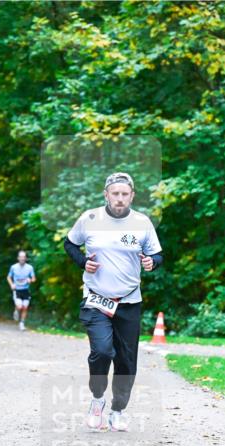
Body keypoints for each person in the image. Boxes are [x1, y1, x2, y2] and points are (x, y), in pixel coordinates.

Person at [63, 172, 162, 432]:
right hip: (96, 299)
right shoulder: (90, 218)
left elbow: (156, 253)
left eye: (124, 194)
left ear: (132, 196)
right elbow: (70, 244)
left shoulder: (142, 222)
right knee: (103, 351)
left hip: (129, 301)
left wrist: (153, 262)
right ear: (106, 194)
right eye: (115, 194)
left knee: (127, 362)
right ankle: (97, 400)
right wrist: (83, 262)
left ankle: (118, 411)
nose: (119, 199)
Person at [7, 250, 36, 331]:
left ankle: (22, 323)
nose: (22, 258)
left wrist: (30, 280)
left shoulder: (30, 267)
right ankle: (16, 310)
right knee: (20, 306)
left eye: (24, 257)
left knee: (25, 307)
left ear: (26, 258)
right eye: (21, 257)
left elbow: (34, 278)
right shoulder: (13, 267)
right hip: (17, 290)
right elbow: (9, 277)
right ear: (18, 258)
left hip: (26, 290)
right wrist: (11, 284)